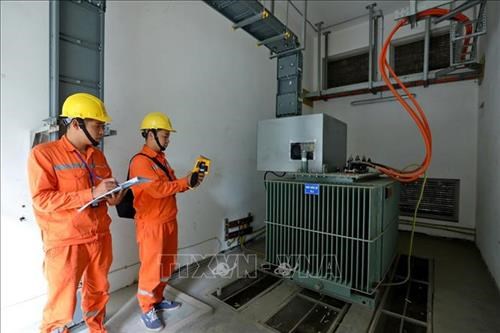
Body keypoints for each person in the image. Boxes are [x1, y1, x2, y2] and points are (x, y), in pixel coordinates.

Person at [27, 93, 125, 333]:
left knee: (99, 290)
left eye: (103, 126)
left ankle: (96, 327)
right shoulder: (43, 154)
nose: (102, 131)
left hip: (100, 236)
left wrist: (114, 197)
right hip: (66, 241)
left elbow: (103, 190)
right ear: (75, 124)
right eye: (98, 125)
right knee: (62, 300)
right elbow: (42, 200)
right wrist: (91, 192)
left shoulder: (98, 156)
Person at [129, 112, 204, 331]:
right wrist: (184, 182)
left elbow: (171, 185)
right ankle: (146, 307)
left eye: (168, 136)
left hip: (169, 220)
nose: (168, 140)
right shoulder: (140, 162)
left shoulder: (160, 160)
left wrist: (189, 181)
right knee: (151, 268)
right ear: (150, 134)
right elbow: (158, 189)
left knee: (166, 265)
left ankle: (158, 299)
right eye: (164, 135)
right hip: (152, 224)